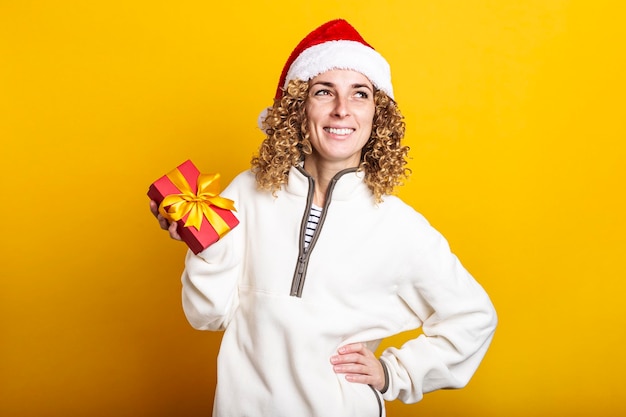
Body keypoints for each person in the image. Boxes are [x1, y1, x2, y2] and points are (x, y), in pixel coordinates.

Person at [150, 19, 497, 417]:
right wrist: (204, 246)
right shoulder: (247, 192)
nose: (342, 109)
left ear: (377, 115)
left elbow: (474, 316)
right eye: (323, 91)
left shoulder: (399, 227)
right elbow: (208, 316)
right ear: (298, 107)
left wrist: (393, 373)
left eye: (360, 94)